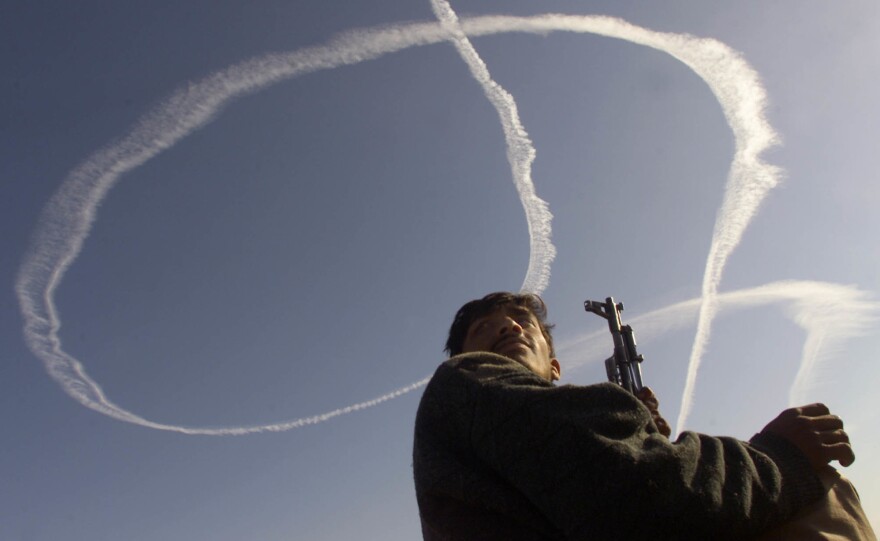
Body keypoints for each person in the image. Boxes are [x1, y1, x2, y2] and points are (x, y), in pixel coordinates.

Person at [413, 292, 874, 540]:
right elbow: (648, 499)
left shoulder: (518, 429)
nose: (509, 326)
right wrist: (781, 459)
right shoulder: (464, 379)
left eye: (521, 321)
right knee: (822, 492)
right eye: (484, 328)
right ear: (466, 356)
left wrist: (637, 434)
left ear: (555, 367)